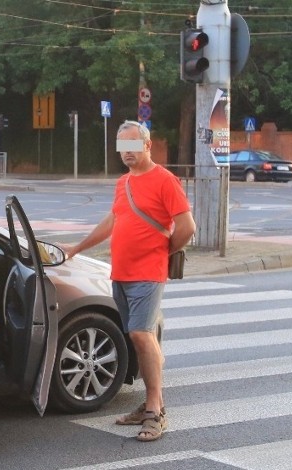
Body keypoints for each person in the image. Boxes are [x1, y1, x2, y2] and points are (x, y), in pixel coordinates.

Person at [62, 120, 196, 442]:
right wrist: (77, 248)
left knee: (140, 334)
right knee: (141, 337)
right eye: (122, 148)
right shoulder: (122, 183)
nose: (127, 154)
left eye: (133, 147)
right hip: (120, 273)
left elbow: (187, 226)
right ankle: (151, 403)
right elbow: (113, 219)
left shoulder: (165, 180)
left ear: (147, 146)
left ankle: (154, 411)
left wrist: (163, 252)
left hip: (148, 273)